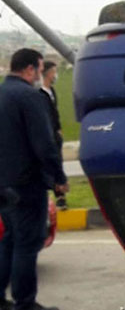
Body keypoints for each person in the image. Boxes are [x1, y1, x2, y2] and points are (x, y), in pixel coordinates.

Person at [0, 48, 69, 310]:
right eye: (40, 70)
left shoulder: (2, 93)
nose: (41, 75)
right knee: (28, 243)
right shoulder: (29, 97)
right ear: (30, 69)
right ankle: (25, 303)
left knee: (7, 240)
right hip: (26, 184)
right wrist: (58, 179)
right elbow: (45, 144)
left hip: (3, 183)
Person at [38, 60, 67, 210]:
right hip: (47, 135)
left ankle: (61, 196)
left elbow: (54, 113)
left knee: (58, 163)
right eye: (54, 72)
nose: (56, 75)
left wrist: (59, 128)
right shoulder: (39, 94)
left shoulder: (52, 91)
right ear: (48, 73)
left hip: (55, 134)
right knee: (49, 164)